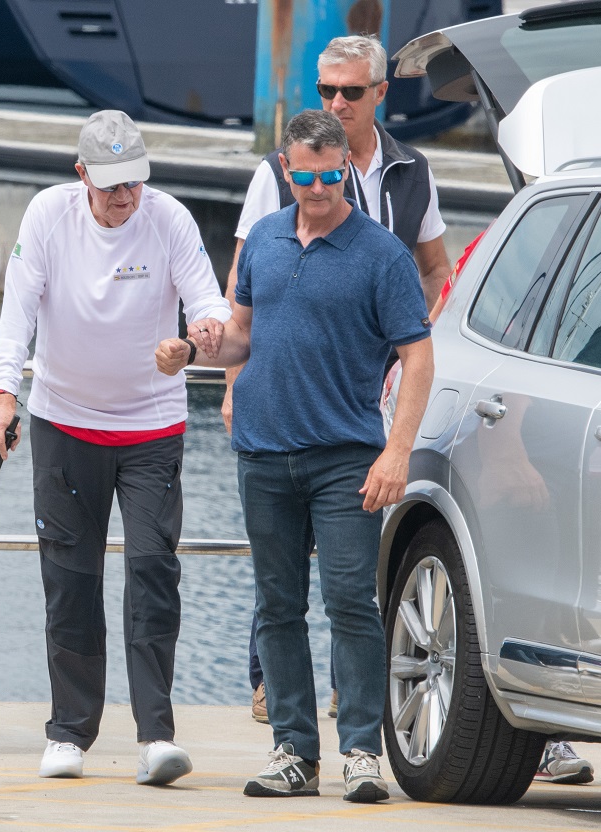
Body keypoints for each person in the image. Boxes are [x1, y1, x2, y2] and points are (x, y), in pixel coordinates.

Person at [156, 109, 434, 801]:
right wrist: (192, 352)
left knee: (350, 603)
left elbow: (418, 356)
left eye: (330, 174)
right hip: (263, 452)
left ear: (346, 167)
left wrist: (397, 451)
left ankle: (363, 752)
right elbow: (243, 337)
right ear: (285, 169)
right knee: (276, 606)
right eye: (304, 175)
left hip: (346, 456)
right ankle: (293, 753)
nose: (317, 187)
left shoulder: (381, 254)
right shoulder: (266, 243)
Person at [0, 110, 231, 787]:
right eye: (111, 186)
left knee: (152, 572)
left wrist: (199, 335)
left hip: (151, 428)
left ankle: (156, 735)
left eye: (134, 185)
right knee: (71, 580)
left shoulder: (169, 219)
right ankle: (69, 734)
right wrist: (4, 392)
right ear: (81, 173)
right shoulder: (47, 217)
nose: (124, 199)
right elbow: (20, 315)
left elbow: (211, 305)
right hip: (63, 424)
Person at [228, 34, 451, 725]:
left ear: (381, 93)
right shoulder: (279, 170)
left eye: (351, 91)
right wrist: (233, 378)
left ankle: (355, 723)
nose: (337, 102)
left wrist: (419, 327)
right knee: (278, 586)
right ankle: (278, 704)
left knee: (353, 586)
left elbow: (436, 268)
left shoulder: (412, 171)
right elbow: (246, 289)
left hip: (376, 385)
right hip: (291, 391)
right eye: (326, 90)